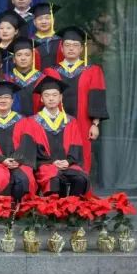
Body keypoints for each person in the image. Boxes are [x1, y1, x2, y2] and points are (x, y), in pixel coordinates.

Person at [43, 26, 107, 172]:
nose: (71, 48)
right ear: (61, 48)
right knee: (58, 152)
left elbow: (97, 98)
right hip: (56, 122)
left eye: (75, 45)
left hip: (84, 123)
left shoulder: (92, 71)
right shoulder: (51, 72)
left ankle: (81, 184)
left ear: (81, 49)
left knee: (83, 155)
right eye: (67, 45)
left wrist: (95, 124)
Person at [0, 81, 41, 201]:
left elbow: (27, 144)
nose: (3, 100)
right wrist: (2, 160)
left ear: (12, 101)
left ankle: (21, 209)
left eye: (7, 97)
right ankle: (2, 209)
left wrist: (17, 159)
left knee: (25, 178)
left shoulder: (23, 121)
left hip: (19, 162)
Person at [30, 76, 90, 196]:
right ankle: (52, 207)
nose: (51, 98)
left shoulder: (70, 121)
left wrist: (68, 161)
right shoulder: (32, 122)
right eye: (47, 95)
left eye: (55, 95)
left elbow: (76, 146)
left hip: (67, 165)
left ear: (61, 97)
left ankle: (72, 206)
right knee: (53, 177)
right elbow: (31, 150)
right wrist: (52, 162)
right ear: (41, 99)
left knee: (81, 178)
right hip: (45, 166)